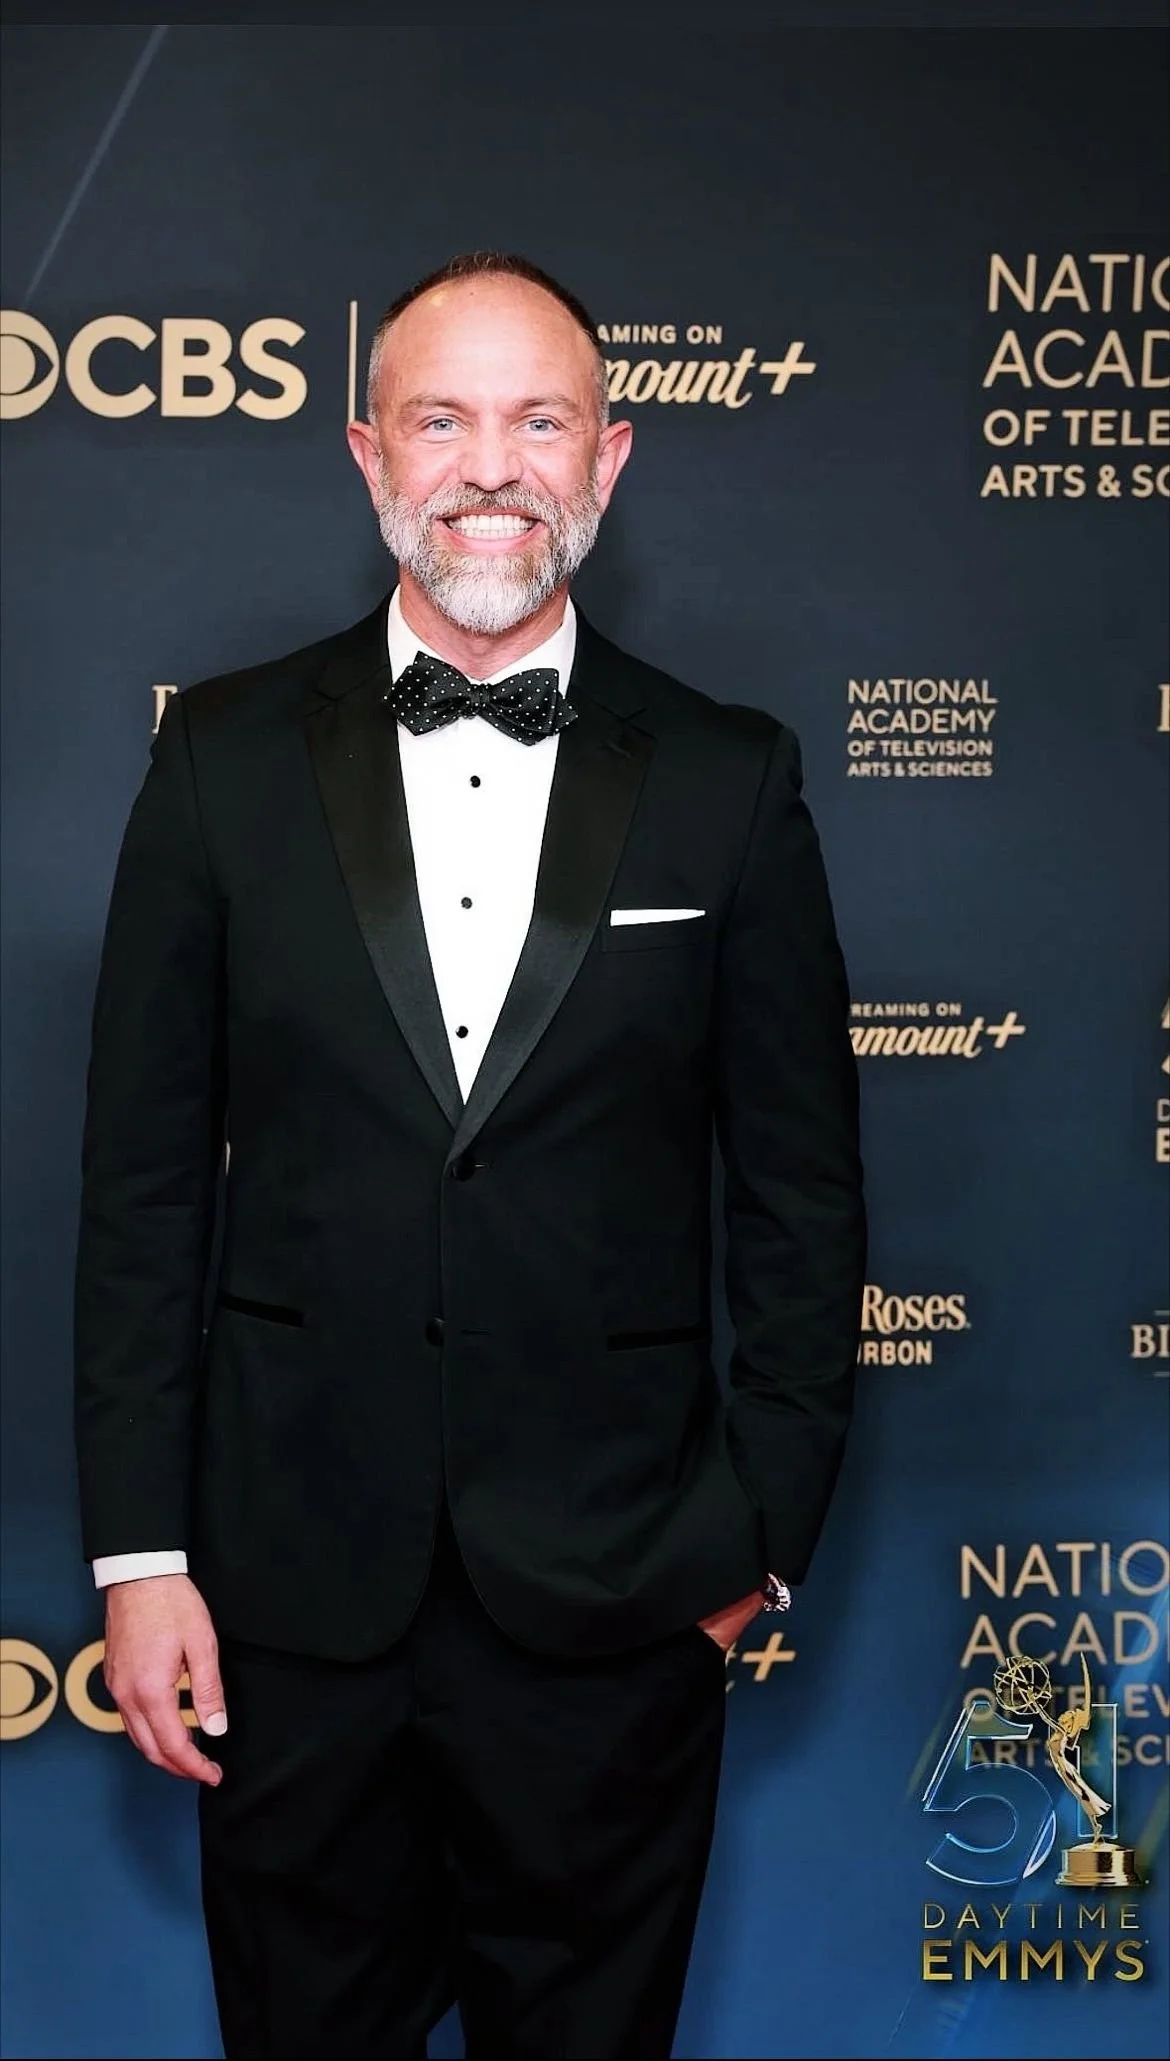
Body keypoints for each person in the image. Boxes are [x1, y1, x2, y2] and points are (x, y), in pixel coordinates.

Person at [75, 250, 865, 2060]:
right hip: (288, 1607)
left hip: (617, 1606)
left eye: (539, 422)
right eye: (440, 420)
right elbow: (138, 1192)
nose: (490, 467)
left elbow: (801, 1200)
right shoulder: (218, 758)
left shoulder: (731, 777)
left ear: (609, 458)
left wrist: (751, 1548)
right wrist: (140, 1560)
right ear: (369, 455)